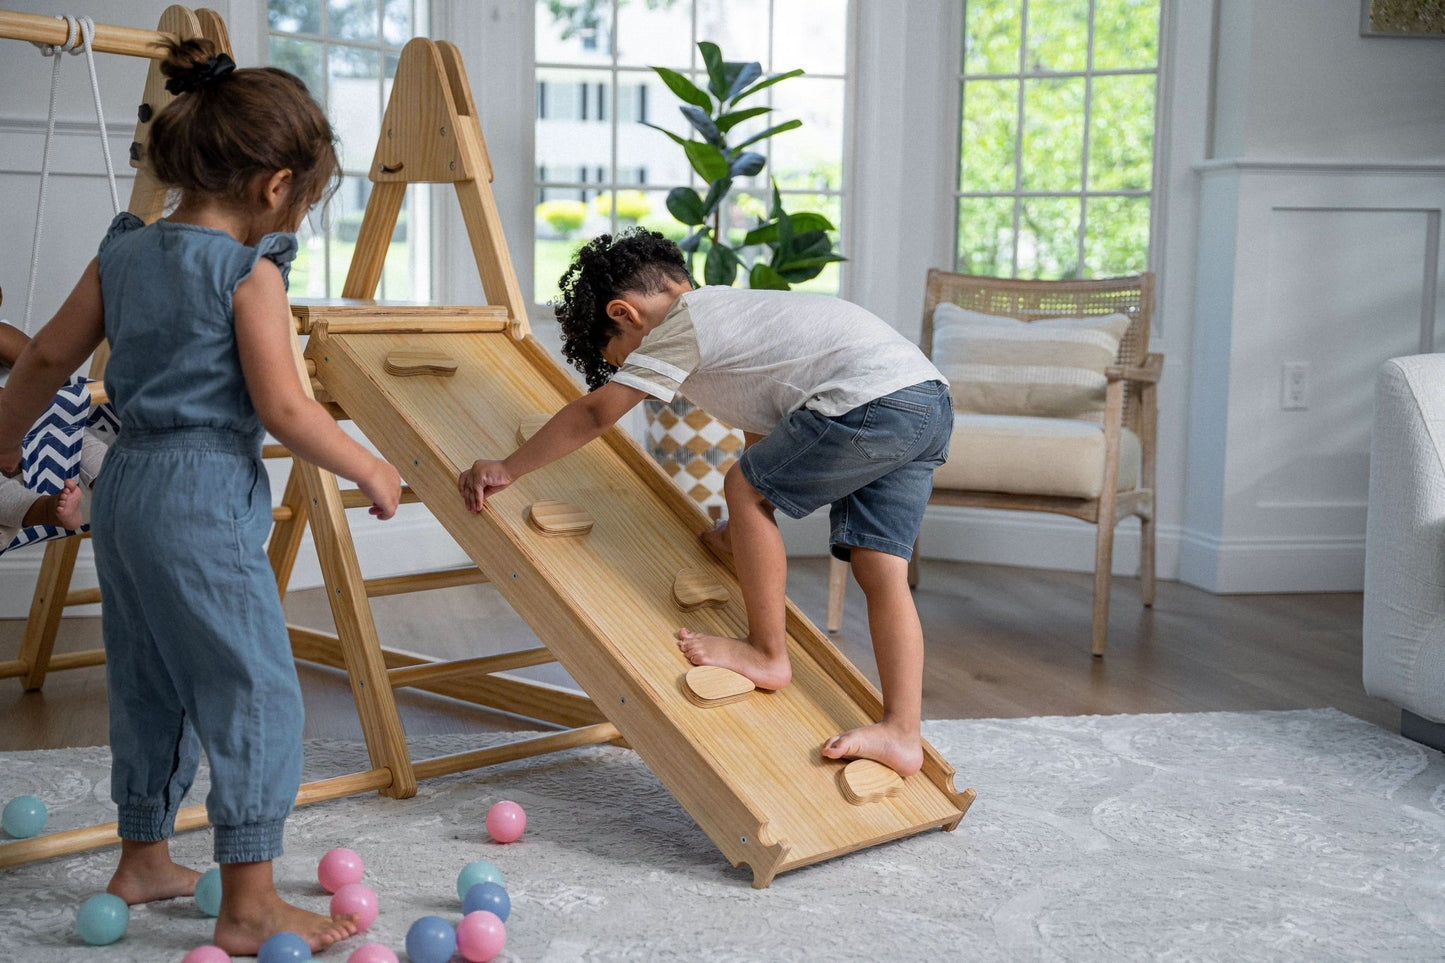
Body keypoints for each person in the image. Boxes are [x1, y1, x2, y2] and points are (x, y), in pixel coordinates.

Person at [0, 39, 401, 956]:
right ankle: (251, 898)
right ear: (275, 186)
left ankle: (143, 855)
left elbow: (49, 357)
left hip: (124, 486)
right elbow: (285, 407)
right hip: (199, 489)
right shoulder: (245, 273)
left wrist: (4, 435)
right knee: (252, 685)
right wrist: (369, 467)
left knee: (147, 674)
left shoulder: (125, 253)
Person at [458, 228, 951, 778]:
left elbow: (596, 415)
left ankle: (767, 653)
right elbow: (767, 435)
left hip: (870, 403)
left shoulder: (683, 321)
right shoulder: (738, 320)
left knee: (743, 485)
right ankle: (903, 733)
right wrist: (731, 535)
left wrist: (507, 467)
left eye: (620, 360)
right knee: (880, 566)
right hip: (924, 401)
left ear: (625, 314)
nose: (630, 373)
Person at [0, 305, 104, 546]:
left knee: (79, 437)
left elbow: (42, 364)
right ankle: (46, 509)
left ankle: (118, 486)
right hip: (11, 472)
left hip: (45, 432)